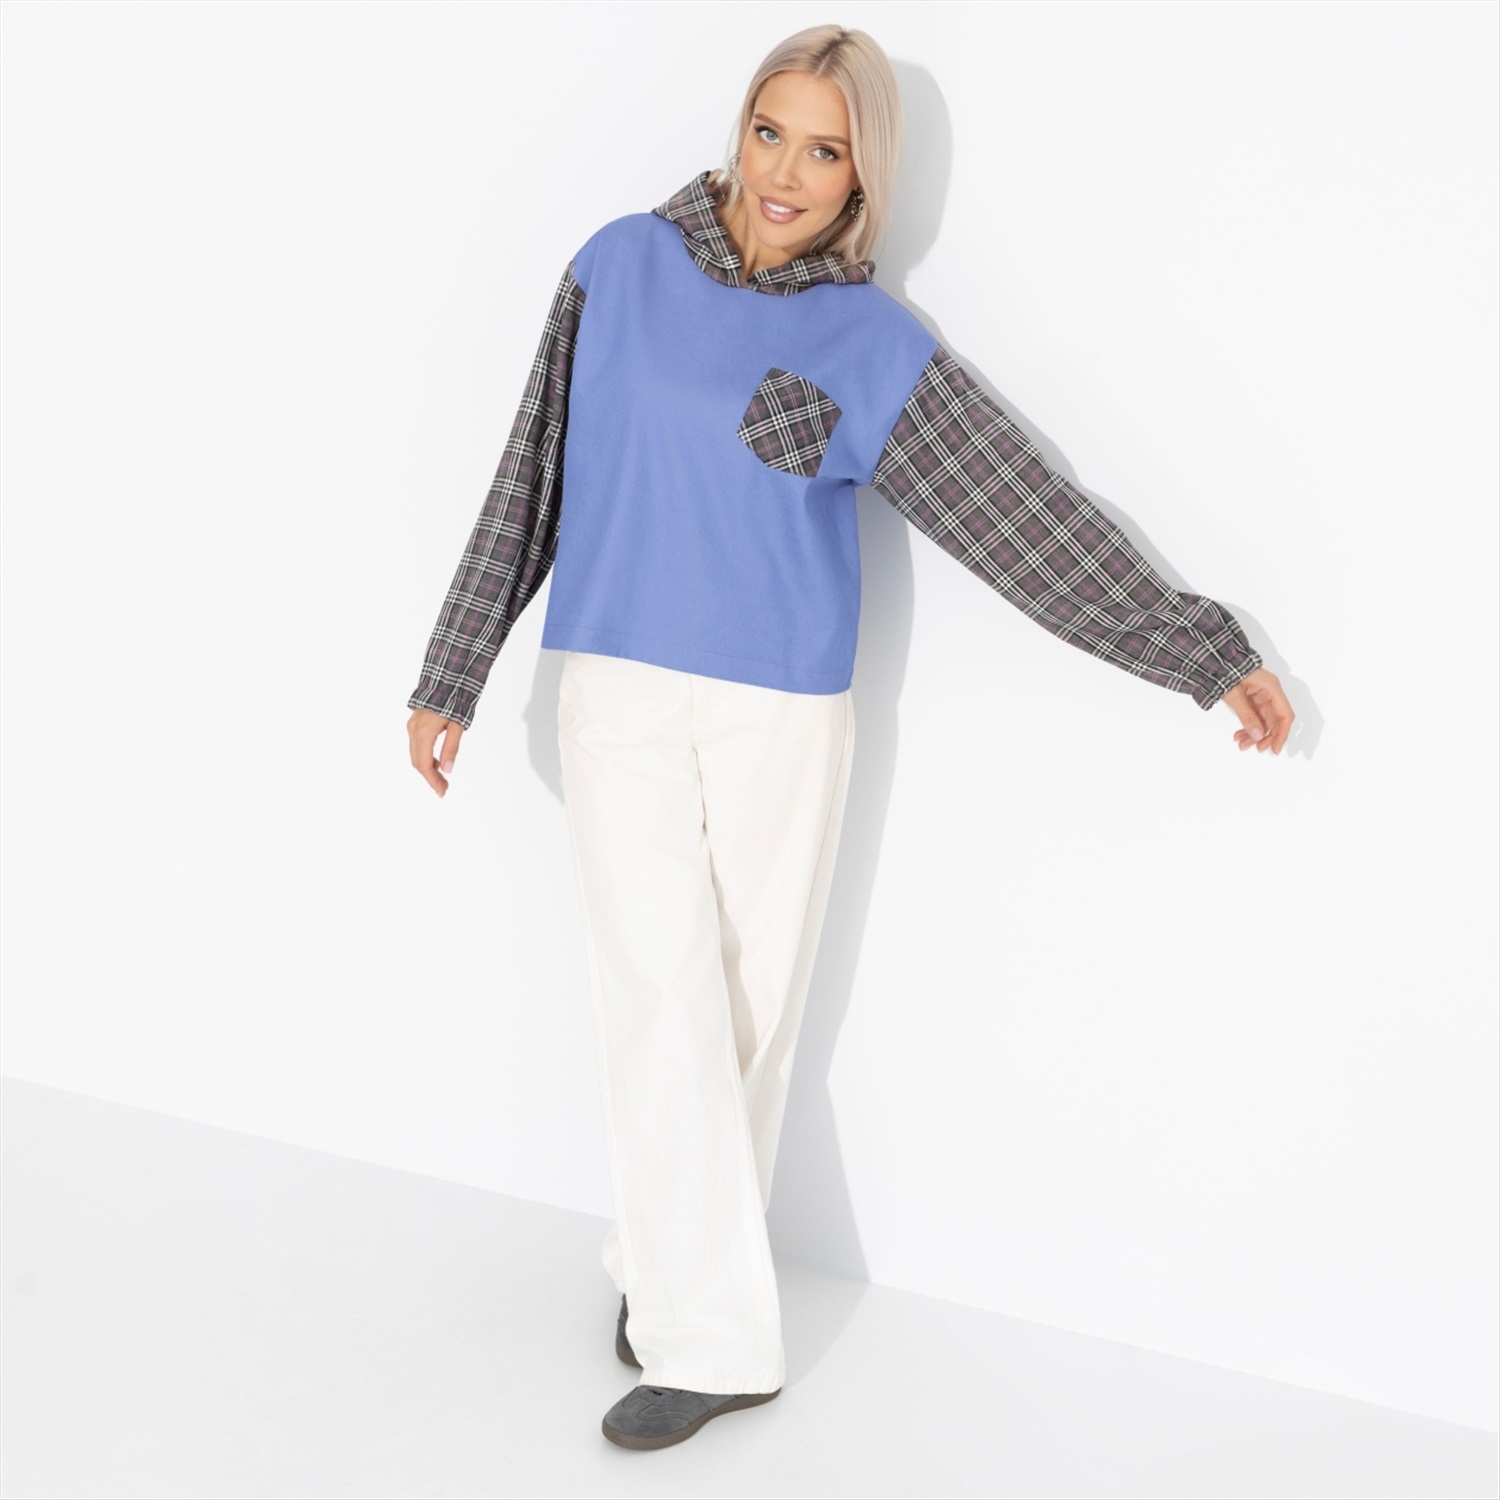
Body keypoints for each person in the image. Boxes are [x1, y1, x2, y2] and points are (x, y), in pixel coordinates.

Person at [405, 24, 1295, 1452]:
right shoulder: (617, 268)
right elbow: (535, 472)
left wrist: (1201, 650)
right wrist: (453, 668)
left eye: (825, 151)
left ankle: (665, 1272)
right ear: (738, 130)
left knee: (747, 1018)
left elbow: (1025, 524)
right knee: (660, 999)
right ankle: (715, 1342)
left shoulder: (875, 345)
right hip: (615, 692)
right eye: (772, 133)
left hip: (781, 710)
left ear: (860, 176)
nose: (787, 172)